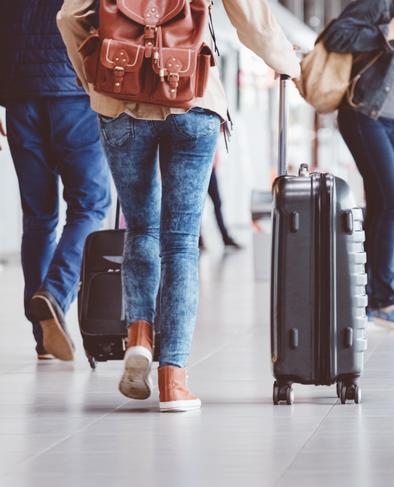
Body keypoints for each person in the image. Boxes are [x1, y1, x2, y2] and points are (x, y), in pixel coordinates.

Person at [58, 0, 299, 411]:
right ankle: (173, 379)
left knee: (140, 228)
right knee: (181, 243)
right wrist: (286, 60)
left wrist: (94, 82)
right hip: (194, 97)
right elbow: (250, 16)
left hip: (121, 98)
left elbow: (68, 17)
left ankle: (139, 334)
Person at [0, 0, 111, 361]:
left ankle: (42, 335)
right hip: (76, 93)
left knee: (38, 217)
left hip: (21, 98)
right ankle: (56, 294)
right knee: (91, 205)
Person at [325, 0, 394, 328]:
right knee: (390, 198)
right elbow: (335, 36)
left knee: (383, 203)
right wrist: (385, 32)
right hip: (365, 114)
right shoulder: (380, 5)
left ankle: (365, 296)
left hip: (390, 121)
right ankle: (380, 297)